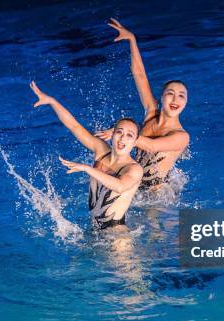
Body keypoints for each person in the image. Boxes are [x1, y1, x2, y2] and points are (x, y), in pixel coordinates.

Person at [29, 81, 143, 229]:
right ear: (112, 134)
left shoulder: (134, 169)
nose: (122, 138)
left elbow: (120, 186)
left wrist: (87, 168)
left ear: (134, 142)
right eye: (119, 132)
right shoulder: (101, 150)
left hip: (117, 236)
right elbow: (74, 126)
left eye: (129, 135)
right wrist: (52, 101)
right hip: (94, 228)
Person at [95, 18, 190, 191]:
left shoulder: (181, 136)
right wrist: (132, 39)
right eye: (170, 93)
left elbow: (152, 146)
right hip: (132, 181)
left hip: (157, 194)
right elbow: (139, 75)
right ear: (161, 97)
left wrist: (121, 134)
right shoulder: (151, 111)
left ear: (186, 102)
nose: (175, 99)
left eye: (181, 96)